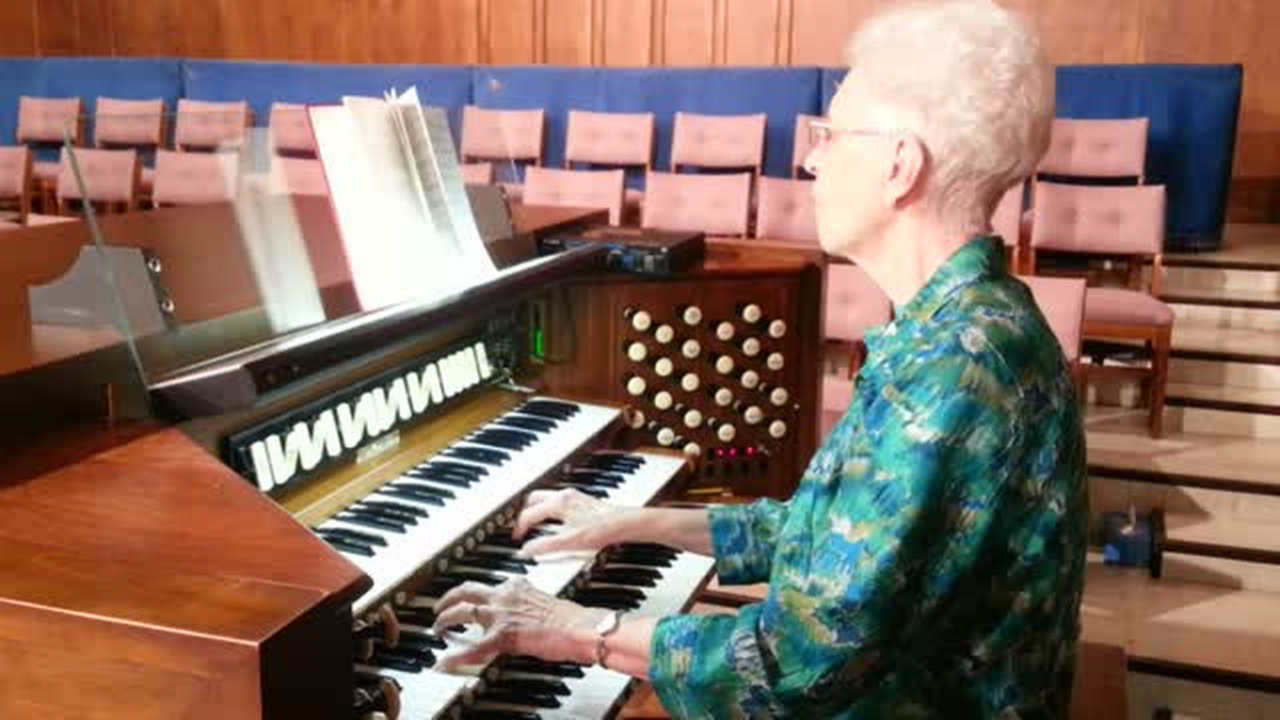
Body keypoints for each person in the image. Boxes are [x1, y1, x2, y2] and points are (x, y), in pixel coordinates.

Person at [432, 1, 1087, 716]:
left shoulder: (956, 372)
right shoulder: (968, 322)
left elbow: (796, 663)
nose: (810, 158)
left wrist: (571, 627)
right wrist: (628, 520)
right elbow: (827, 536)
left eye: (831, 135)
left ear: (900, 165)